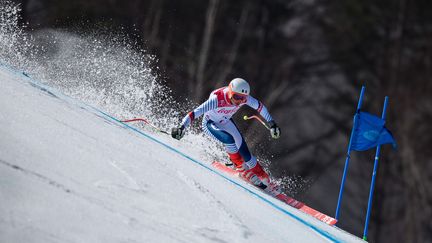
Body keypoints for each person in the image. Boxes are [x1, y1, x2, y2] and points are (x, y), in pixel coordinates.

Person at [171, 78, 281, 189]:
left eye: (243, 99)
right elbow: (196, 112)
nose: (239, 101)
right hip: (210, 123)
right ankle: (241, 169)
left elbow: (260, 107)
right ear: (230, 92)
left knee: (246, 153)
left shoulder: (244, 98)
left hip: (225, 122)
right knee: (229, 139)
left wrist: (272, 124)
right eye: (237, 97)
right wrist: (181, 127)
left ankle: (264, 177)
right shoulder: (217, 99)